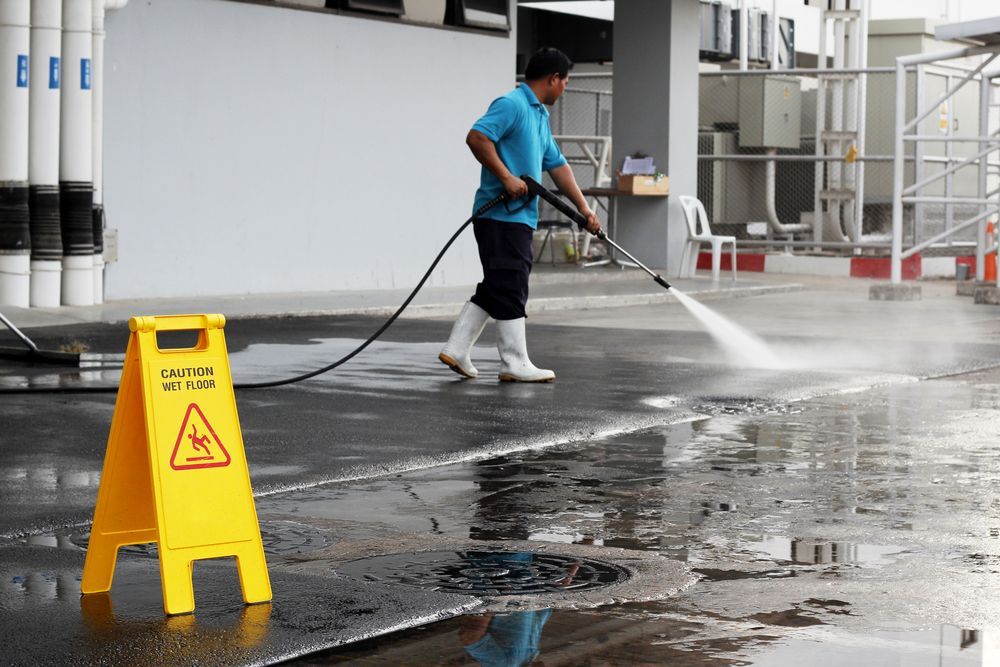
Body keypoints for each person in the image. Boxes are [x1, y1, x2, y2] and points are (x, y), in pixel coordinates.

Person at [439, 47, 601, 383]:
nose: (565, 88)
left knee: (497, 284)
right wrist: (506, 177)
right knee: (511, 283)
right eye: (565, 82)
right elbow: (477, 137)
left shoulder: (539, 115)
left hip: (518, 217)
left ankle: (456, 349)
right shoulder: (511, 104)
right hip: (500, 215)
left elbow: (557, 166)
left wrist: (583, 210)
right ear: (553, 79)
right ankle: (514, 362)